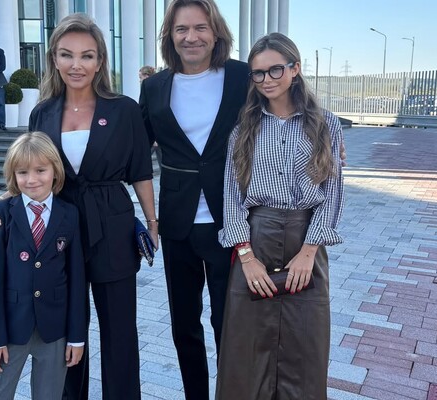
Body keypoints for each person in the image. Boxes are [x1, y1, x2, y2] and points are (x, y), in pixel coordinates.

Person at [0, 13, 158, 400]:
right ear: (54, 59)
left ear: (100, 61)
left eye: (87, 56)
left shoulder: (124, 109)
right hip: (57, 233)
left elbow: (141, 172)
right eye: (67, 55)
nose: (76, 65)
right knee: (64, 334)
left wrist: (151, 221)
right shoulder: (42, 112)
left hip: (112, 226)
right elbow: (31, 170)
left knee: (119, 334)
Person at [216, 32, 344, 400]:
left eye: (275, 69)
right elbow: (231, 197)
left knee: (306, 348)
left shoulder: (326, 124)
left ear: (295, 68)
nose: (266, 79)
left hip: (307, 239)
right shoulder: (244, 130)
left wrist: (309, 252)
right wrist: (246, 257)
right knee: (245, 351)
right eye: (258, 73)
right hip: (256, 238)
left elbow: (333, 193)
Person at [139, 1, 247, 398]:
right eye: (181, 29)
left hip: (231, 221)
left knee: (229, 324)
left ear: (216, 32)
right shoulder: (154, 87)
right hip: (177, 223)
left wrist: (326, 141)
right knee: (184, 325)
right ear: (170, 36)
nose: (191, 37)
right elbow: (133, 150)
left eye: (200, 27)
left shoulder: (241, 77)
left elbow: (285, 112)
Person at [0, 131, 86, 400]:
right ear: (13, 175)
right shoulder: (1, 214)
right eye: (22, 172)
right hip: (11, 329)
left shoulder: (69, 214)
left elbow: (77, 280)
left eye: (41, 170)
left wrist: (76, 336)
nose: (31, 180)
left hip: (54, 330)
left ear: (55, 171)